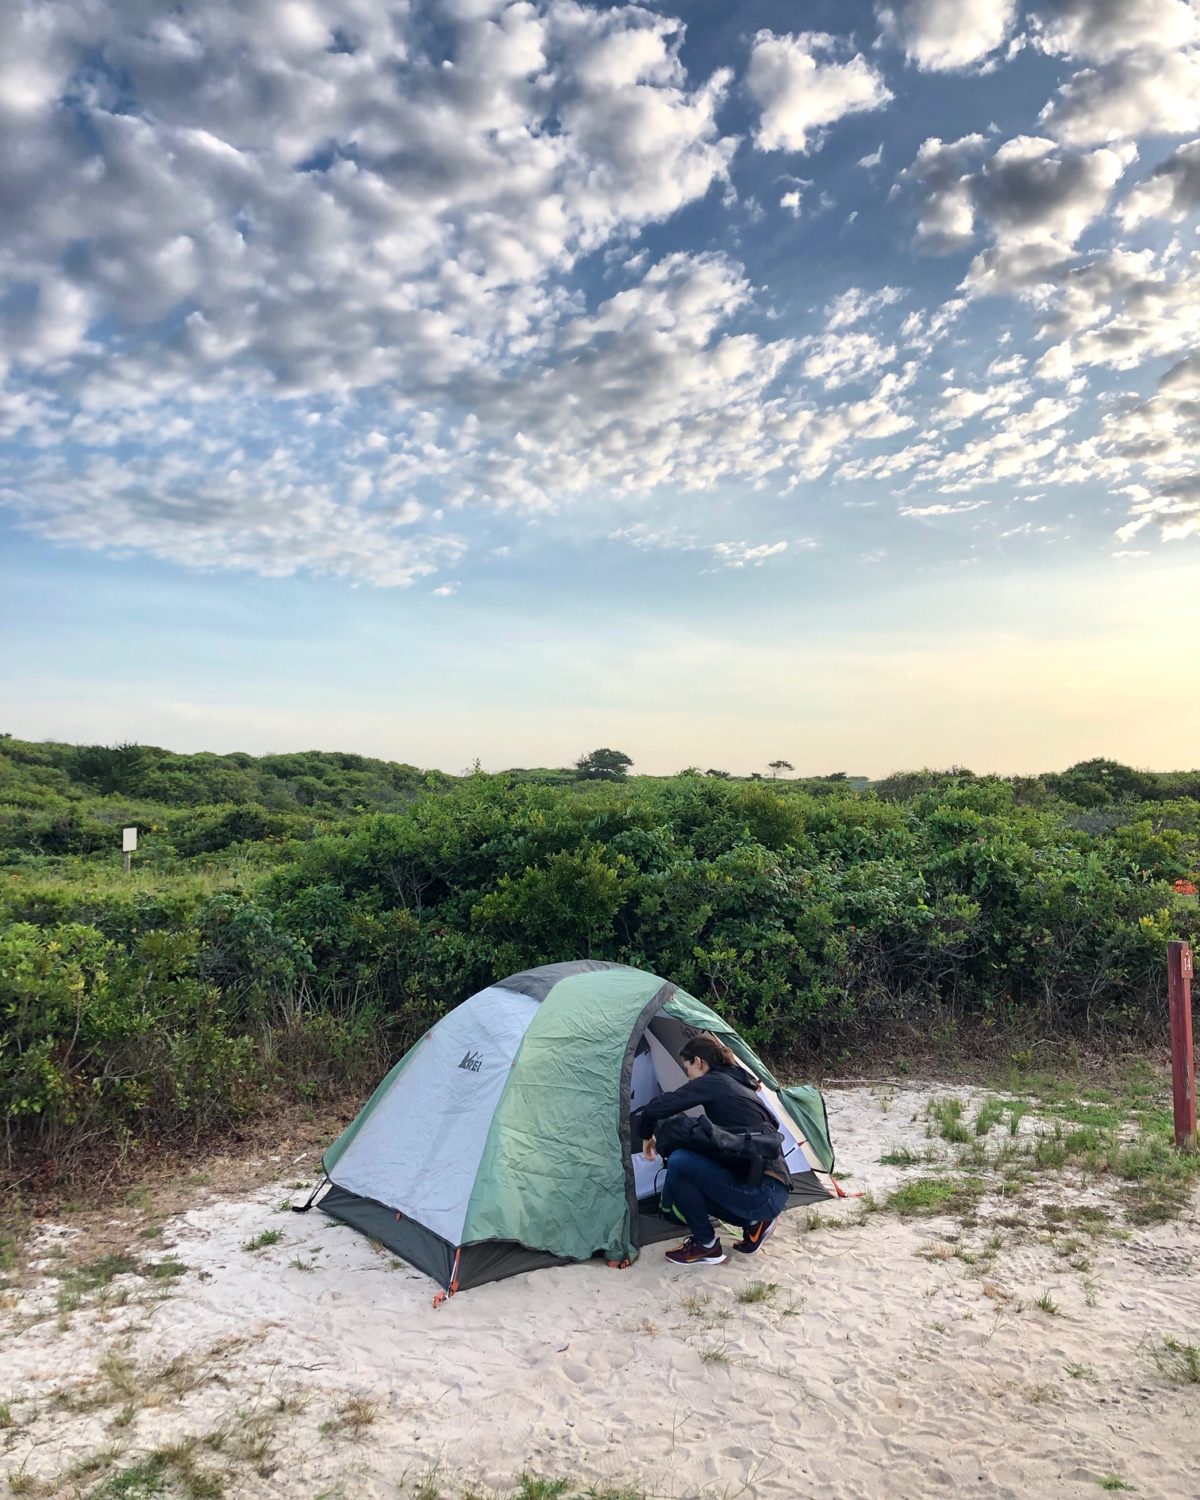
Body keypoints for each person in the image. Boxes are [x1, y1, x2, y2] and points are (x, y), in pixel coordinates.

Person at [631, 1034, 789, 1266]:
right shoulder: (739, 1081)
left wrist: (646, 1134)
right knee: (691, 1165)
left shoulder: (715, 1082)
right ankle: (756, 1223)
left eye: (687, 1069)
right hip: (774, 1187)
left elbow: (660, 1106)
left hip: (761, 1193)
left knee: (679, 1163)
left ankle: (706, 1245)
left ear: (698, 1062)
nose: (688, 1076)